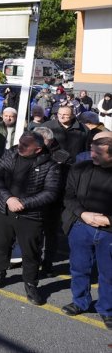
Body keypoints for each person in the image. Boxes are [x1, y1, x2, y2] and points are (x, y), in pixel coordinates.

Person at [0, 132, 61, 306]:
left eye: (25, 145)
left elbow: (50, 193)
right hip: (4, 209)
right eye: (20, 142)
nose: (20, 146)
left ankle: (30, 283)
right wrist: (8, 198)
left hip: (30, 216)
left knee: (31, 252)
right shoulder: (11, 153)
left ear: (38, 149)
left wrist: (23, 203)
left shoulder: (50, 165)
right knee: (2, 244)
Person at [60, 136, 112, 330]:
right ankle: (80, 301)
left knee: (108, 274)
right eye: (91, 150)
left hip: (108, 232)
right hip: (81, 226)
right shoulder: (80, 168)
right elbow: (69, 196)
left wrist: (108, 220)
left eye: (98, 153)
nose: (92, 155)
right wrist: (84, 214)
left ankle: (107, 310)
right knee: (79, 268)